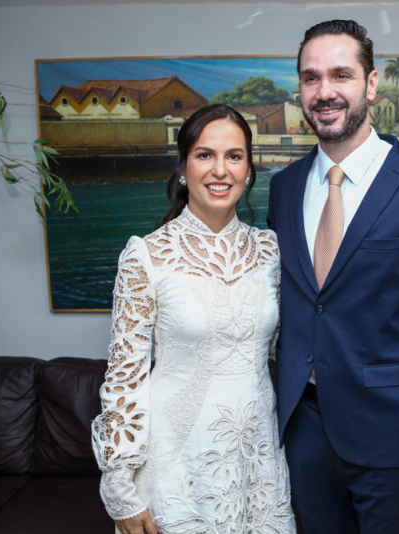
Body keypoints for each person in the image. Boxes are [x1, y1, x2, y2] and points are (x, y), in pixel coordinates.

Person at [266, 20, 399, 534]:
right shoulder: (283, 189)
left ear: (372, 83)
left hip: (394, 439)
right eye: (311, 78)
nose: (325, 91)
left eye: (341, 74)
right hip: (302, 432)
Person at [92, 104, 297, 534]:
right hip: (177, 463)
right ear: (184, 167)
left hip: (258, 463)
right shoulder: (146, 256)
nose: (220, 170)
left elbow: (293, 349)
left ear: (248, 170)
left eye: (234, 156)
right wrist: (119, 487)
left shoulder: (271, 251)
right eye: (205, 155)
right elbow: (123, 377)